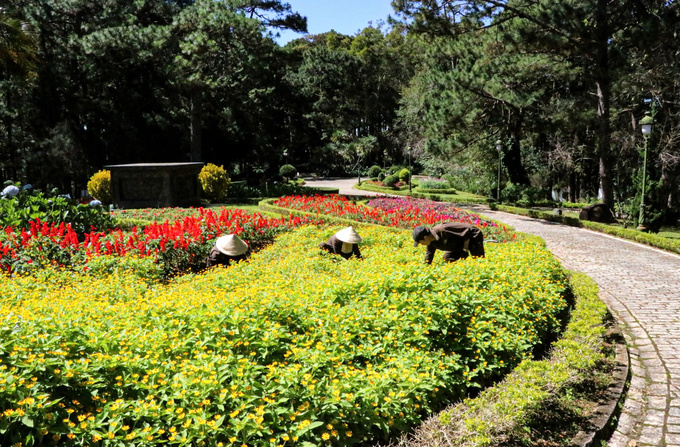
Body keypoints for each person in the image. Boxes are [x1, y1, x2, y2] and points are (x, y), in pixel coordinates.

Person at [412, 222, 485, 264]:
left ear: (425, 238)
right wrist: (426, 266)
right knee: (447, 258)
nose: (421, 245)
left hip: (472, 235)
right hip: (458, 243)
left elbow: (467, 231)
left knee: (477, 260)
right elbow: (429, 255)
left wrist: (465, 249)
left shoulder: (442, 230)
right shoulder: (431, 242)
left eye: (421, 242)